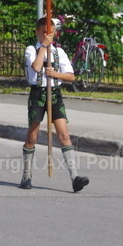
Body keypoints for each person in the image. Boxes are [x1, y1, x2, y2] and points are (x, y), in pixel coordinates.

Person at [20, 16, 90, 193]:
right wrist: (44, 47)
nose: (46, 35)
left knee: (64, 134)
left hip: (55, 93)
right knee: (33, 135)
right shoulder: (31, 50)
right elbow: (36, 67)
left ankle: (74, 177)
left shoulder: (59, 52)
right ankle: (26, 175)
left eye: (49, 33)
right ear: (37, 32)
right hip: (38, 93)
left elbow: (71, 76)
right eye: (43, 32)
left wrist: (55, 74)